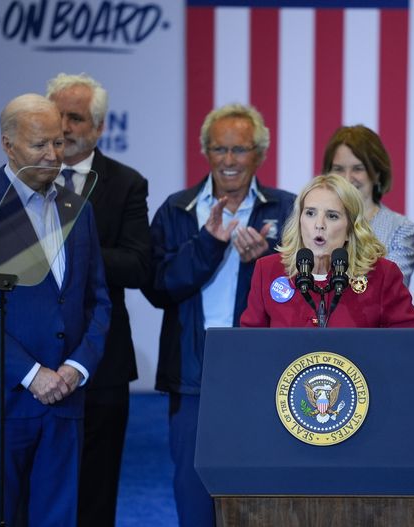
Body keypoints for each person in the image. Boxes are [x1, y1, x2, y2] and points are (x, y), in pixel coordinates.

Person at [0, 94, 110, 526]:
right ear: (7, 145)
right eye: (39, 145)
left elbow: (98, 300)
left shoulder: (78, 208)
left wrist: (76, 367)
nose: (52, 156)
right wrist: (32, 375)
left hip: (65, 398)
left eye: (58, 143)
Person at [146, 103, 295, 526]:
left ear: (260, 154)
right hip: (193, 374)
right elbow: (158, 287)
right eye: (219, 149)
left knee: (258, 496)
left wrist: (265, 264)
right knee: (193, 497)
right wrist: (208, 243)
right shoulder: (177, 210)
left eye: (240, 150)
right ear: (205, 152)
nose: (229, 161)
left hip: (264, 374)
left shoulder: (286, 210)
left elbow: (305, 293)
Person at [46, 73, 151, 527]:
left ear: (100, 127)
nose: (65, 128)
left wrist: (72, 247)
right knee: (40, 483)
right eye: (58, 117)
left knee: (96, 488)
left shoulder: (126, 184)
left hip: (102, 357)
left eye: (75, 118)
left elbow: (136, 265)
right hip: (36, 359)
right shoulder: (26, 181)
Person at [240, 174, 414, 328]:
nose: (319, 225)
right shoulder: (268, 271)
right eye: (310, 213)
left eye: (332, 216)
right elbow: (250, 346)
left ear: (350, 229)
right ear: (299, 221)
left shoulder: (381, 275)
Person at [321, 125, 414, 286]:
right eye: (338, 169)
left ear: (377, 173)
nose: (347, 179)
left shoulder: (400, 228)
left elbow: (392, 288)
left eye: (358, 169)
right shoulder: (314, 222)